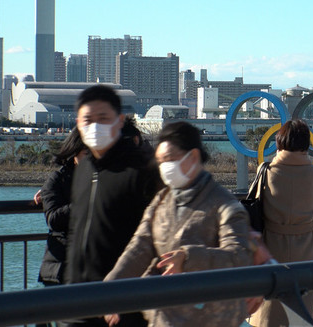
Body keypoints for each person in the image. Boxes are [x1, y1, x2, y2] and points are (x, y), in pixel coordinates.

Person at [103, 121, 253, 327]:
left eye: (170, 159)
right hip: (163, 317)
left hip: (210, 319)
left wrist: (189, 258)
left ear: (193, 156)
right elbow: (139, 247)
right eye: (161, 161)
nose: (165, 167)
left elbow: (239, 257)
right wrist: (110, 289)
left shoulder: (225, 204)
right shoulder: (161, 201)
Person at [66, 85, 162, 327]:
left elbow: (159, 237)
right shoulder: (84, 170)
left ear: (120, 121)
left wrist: (131, 295)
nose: (94, 126)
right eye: (88, 119)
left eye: (103, 118)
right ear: (78, 122)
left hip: (124, 305)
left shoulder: (142, 170)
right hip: (77, 301)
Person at [249, 119, 313, 327]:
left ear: (279, 143)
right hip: (307, 250)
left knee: (269, 308)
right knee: (301, 312)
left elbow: (255, 200)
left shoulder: (267, 171)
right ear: (306, 144)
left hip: (272, 247)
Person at [36, 129, 87, 288]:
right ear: (74, 152)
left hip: (92, 268)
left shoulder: (105, 180)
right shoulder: (57, 180)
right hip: (61, 267)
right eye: (87, 152)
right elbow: (54, 220)